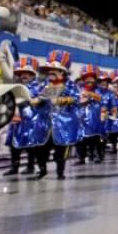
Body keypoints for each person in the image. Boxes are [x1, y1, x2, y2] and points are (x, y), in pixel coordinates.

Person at [35, 50, 80, 180]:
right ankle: (42, 169)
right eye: (50, 70)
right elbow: (39, 97)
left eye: (54, 70)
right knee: (41, 149)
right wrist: (36, 100)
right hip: (45, 124)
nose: (51, 72)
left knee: (61, 150)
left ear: (62, 72)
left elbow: (76, 98)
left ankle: (60, 172)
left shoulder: (70, 85)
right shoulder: (45, 85)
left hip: (63, 124)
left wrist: (63, 100)